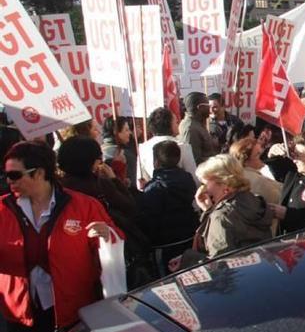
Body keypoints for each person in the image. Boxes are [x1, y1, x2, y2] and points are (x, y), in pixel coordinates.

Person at [0, 141, 117, 332]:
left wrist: (108, 235)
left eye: (14, 175)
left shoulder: (83, 206)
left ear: (40, 173)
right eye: (6, 175)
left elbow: (115, 241)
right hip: (20, 314)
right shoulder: (2, 208)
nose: (9, 181)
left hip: (70, 311)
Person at [57, 136, 154, 287]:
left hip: (71, 261)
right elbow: (130, 207)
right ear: (90, 162)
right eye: (98, 159)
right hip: (107, 254)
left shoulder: (56, 190)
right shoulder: (99, 185)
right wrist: (114, 179)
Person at [176, 154, 274, 269]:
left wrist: (187, 259)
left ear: (224, 183)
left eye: (205, 183)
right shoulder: (253, 199)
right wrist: (209, 210)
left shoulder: (221, 217)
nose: (204, 189)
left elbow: (220, 266)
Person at [137, 141, 199, 276]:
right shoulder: (187, 178)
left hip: (165, 244)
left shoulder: (154, 188)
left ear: (156, 162)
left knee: (168, 279)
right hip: (189, 235)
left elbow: (150, 218)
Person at [138, 107, 198, 185]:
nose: (178, 125)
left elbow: (141, 182)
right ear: (169, 124)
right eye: (176, 122)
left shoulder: (143, 147)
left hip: (153, 193)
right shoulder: (182, 147)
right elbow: (194, 180)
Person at [229, 137, 282, 204]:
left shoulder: (242, 175)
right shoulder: (256, 181)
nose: (262, 157)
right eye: (258, 155)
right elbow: (279, 198)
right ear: (245, 161)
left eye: (262, 151)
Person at [179, 92, 218, 165]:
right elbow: (194, 160)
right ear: (200, 107)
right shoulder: (191, 128)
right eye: (208, 106)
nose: (210, 109)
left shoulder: (199, 123)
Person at [100, 116, 136, 187]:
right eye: (126, 130)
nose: (130, 133)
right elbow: (133, 183)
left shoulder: (99, 150)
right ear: (116, 132)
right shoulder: (123, 154)